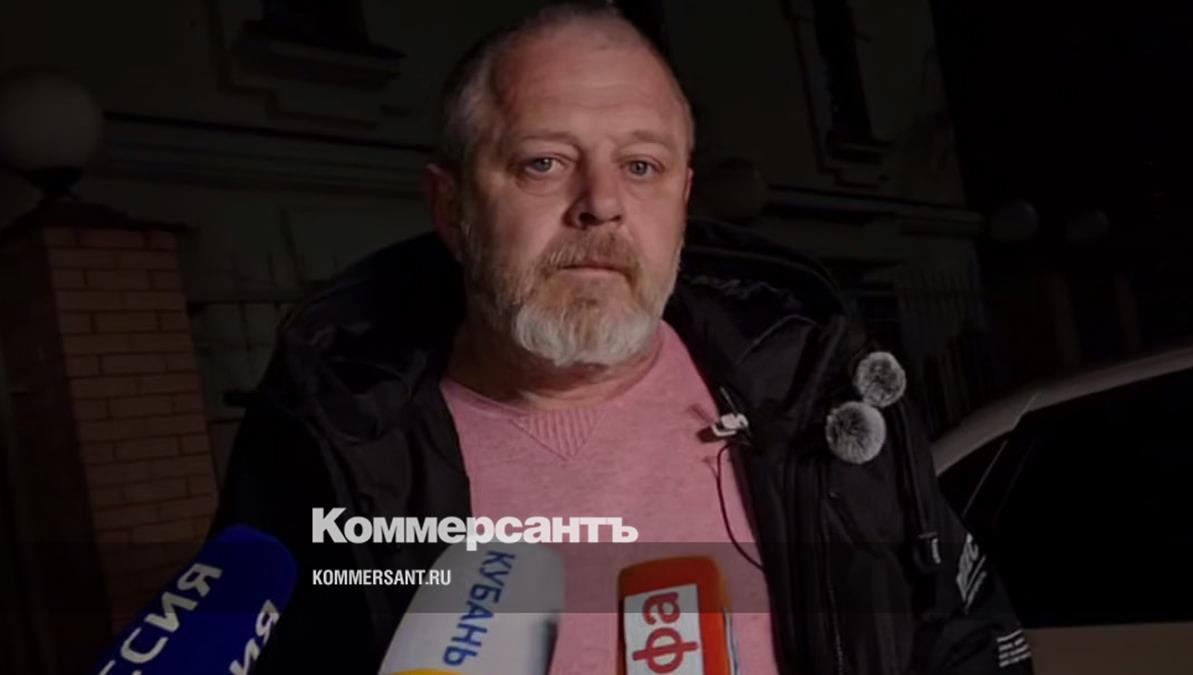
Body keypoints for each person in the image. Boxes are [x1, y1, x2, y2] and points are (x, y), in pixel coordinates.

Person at [212, 3, 1031, 673]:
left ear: (684, 199)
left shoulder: (815, 395)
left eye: (641, 166)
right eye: (543, 163)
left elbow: (962, 639)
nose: (601, 203)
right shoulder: (331, 451)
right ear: (452, 209)